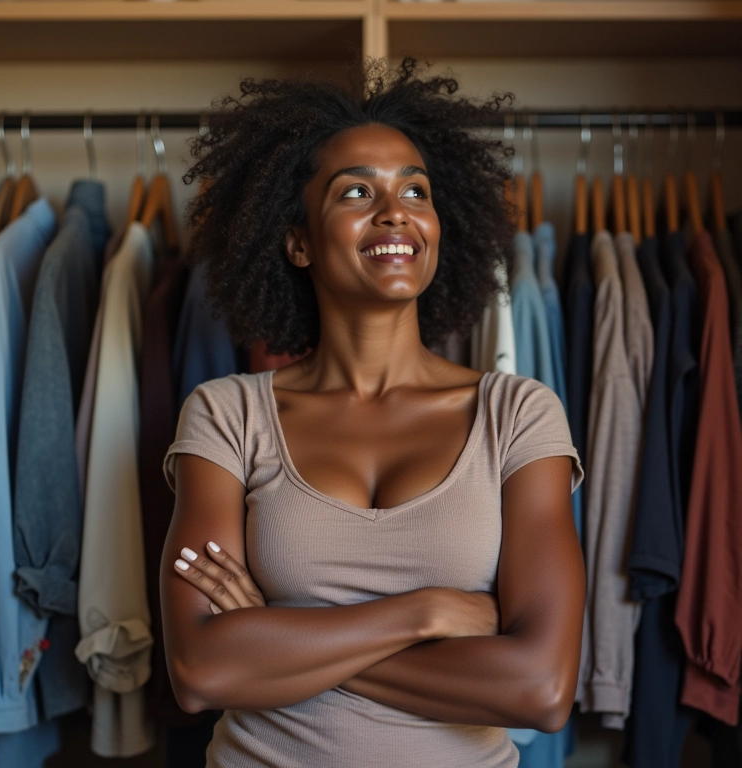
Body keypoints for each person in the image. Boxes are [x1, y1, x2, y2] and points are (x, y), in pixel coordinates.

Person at [160, 58, 585, 768]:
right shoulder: (227, 416)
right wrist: (425, 614)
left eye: (415, 191)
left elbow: (539, 687)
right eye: (357, 191)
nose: (395, 211)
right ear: (297, 241)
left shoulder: (518, 416)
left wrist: (274, 634)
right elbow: (201, 673)